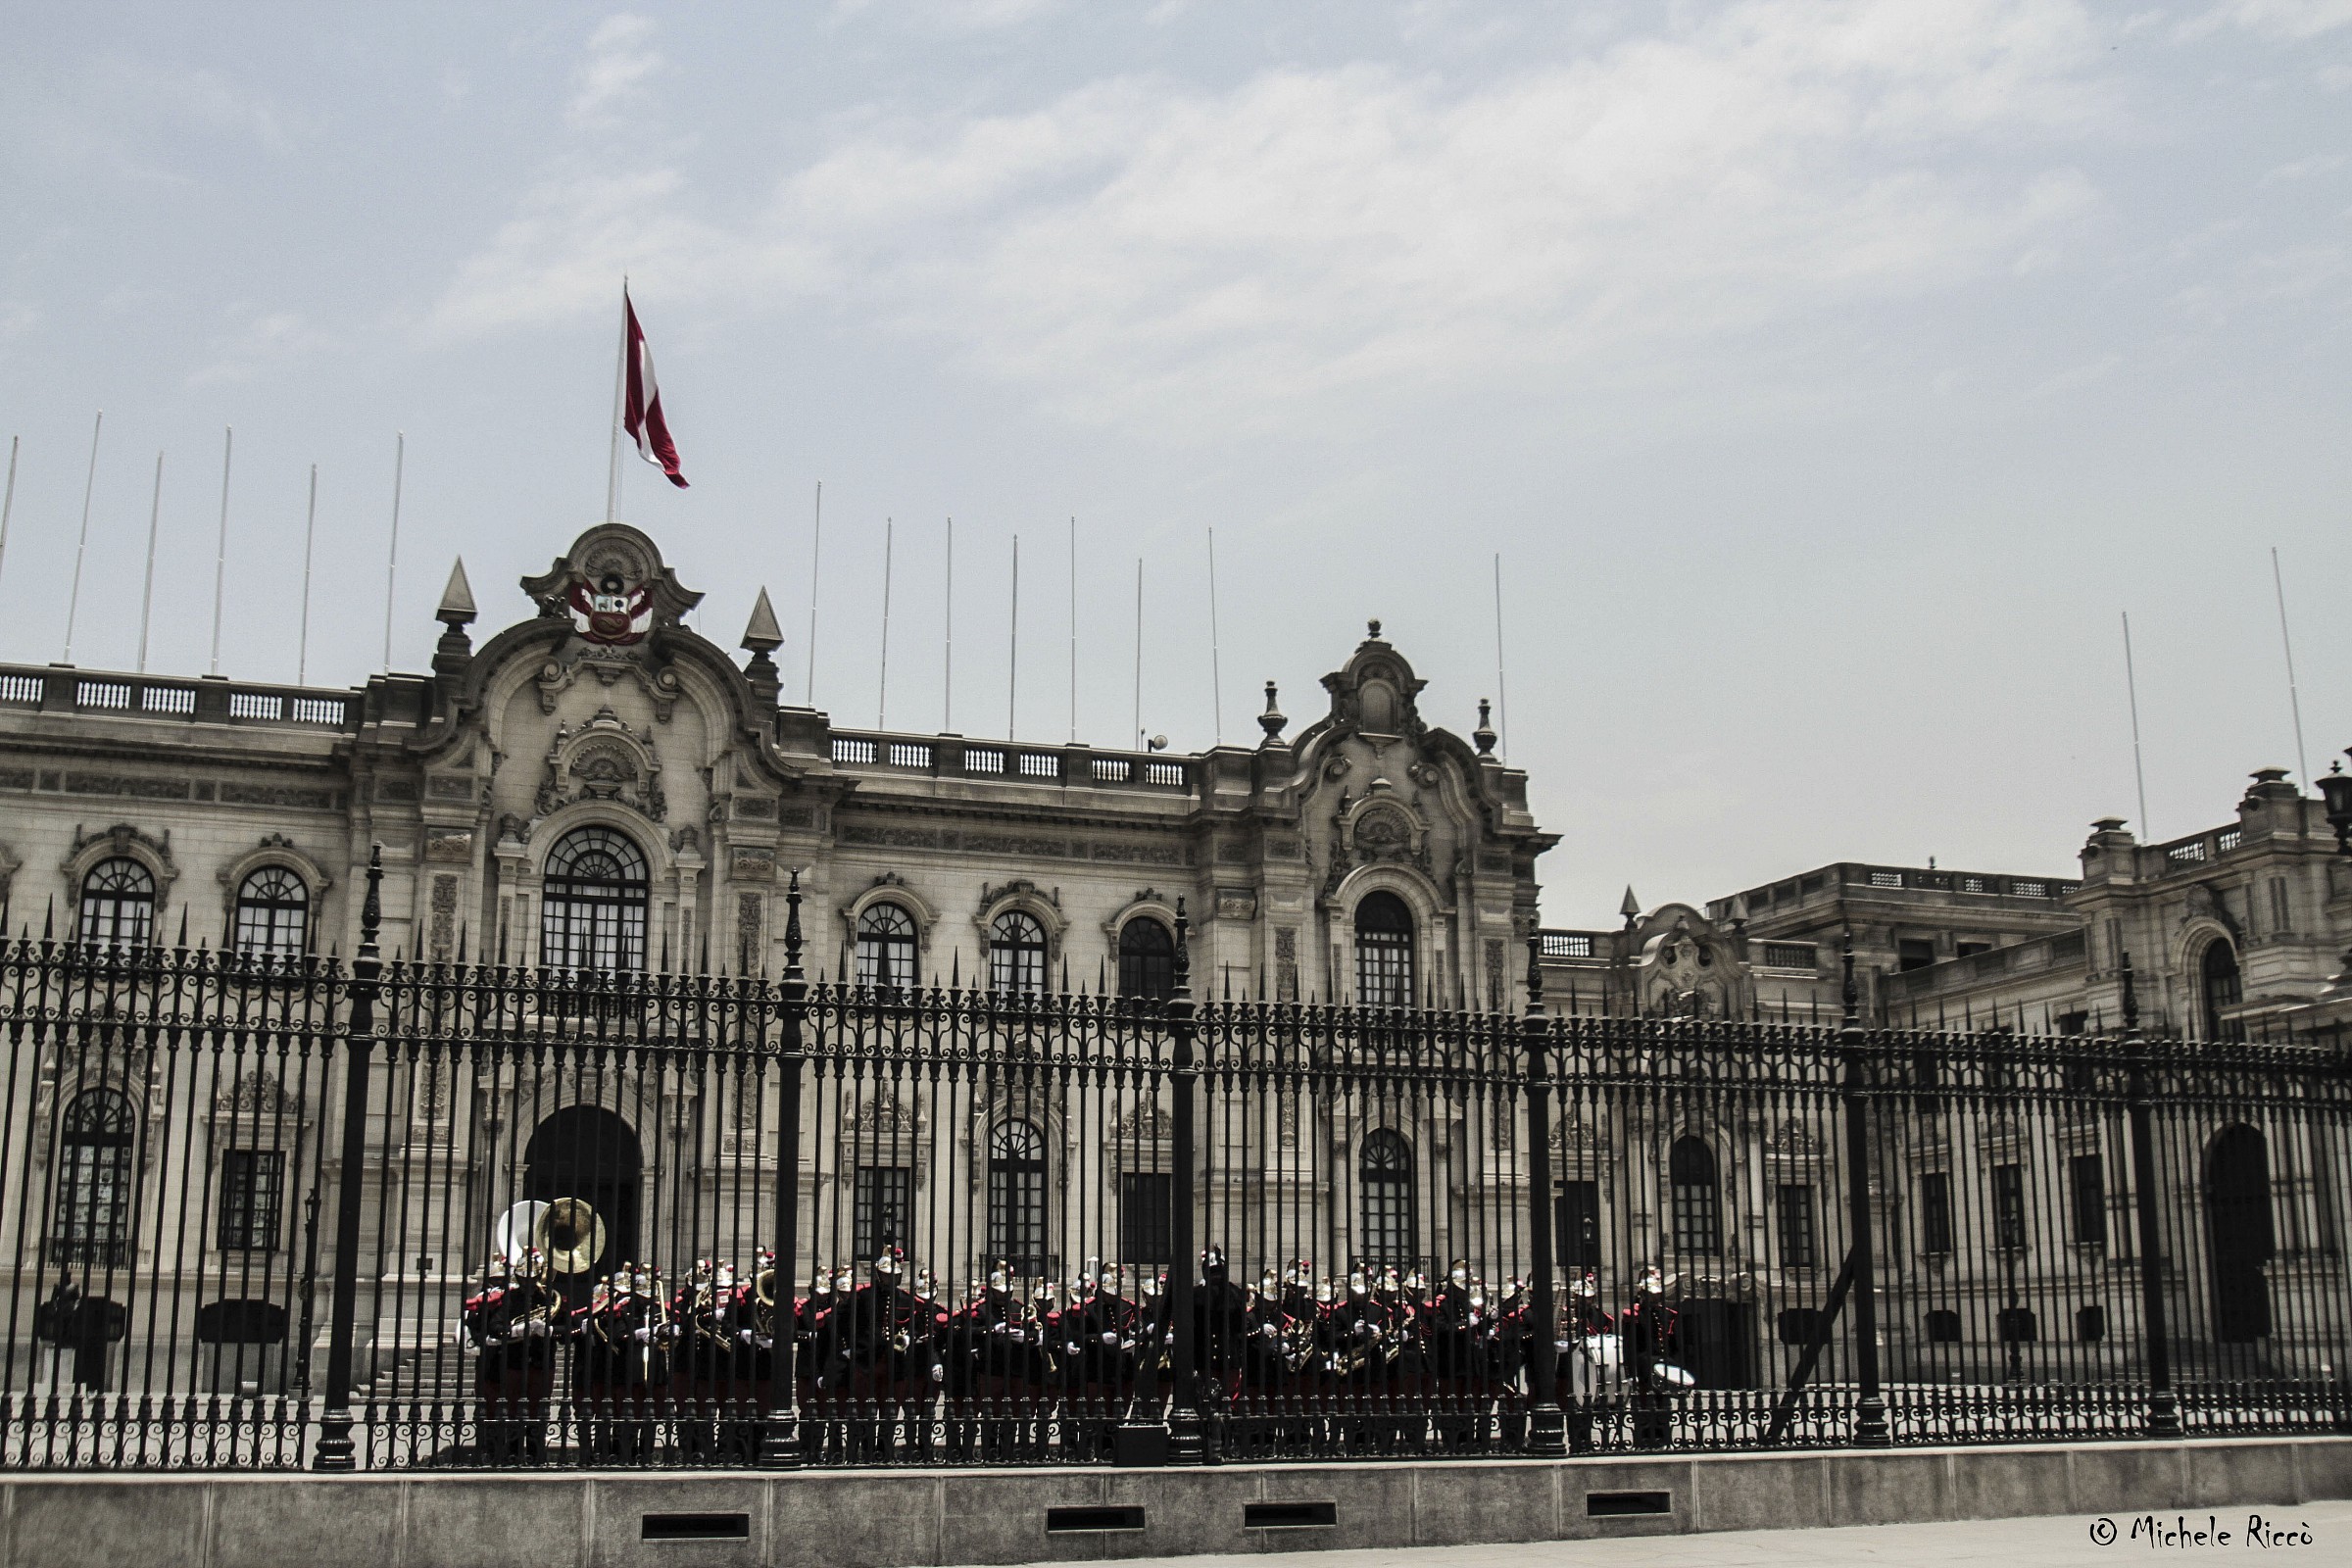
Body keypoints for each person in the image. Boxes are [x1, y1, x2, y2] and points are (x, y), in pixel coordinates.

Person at [459, 1249, 564, 1462]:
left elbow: (570, 1326)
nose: (529, 1283)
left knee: (539, 1410)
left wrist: (551, 1331)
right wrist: (513, 1331)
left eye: (533, 1278)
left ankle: (536, 1454)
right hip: (512, 1362)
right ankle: (510, 1452)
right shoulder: (508, 1299)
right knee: (511, 1410)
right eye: (525, 1279)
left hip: (541, 1361)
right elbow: (493, 1324)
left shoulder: (549, 1298)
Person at [575, 1261, 671, 1462]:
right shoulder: (619, 1311)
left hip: (654, 1371)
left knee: (649, 1417)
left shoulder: (654, 1310)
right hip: (619, 1371)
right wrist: (637, 1334)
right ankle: (612, 1454)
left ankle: (645, 1454)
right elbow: (617, 1336)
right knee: (615, 1417)